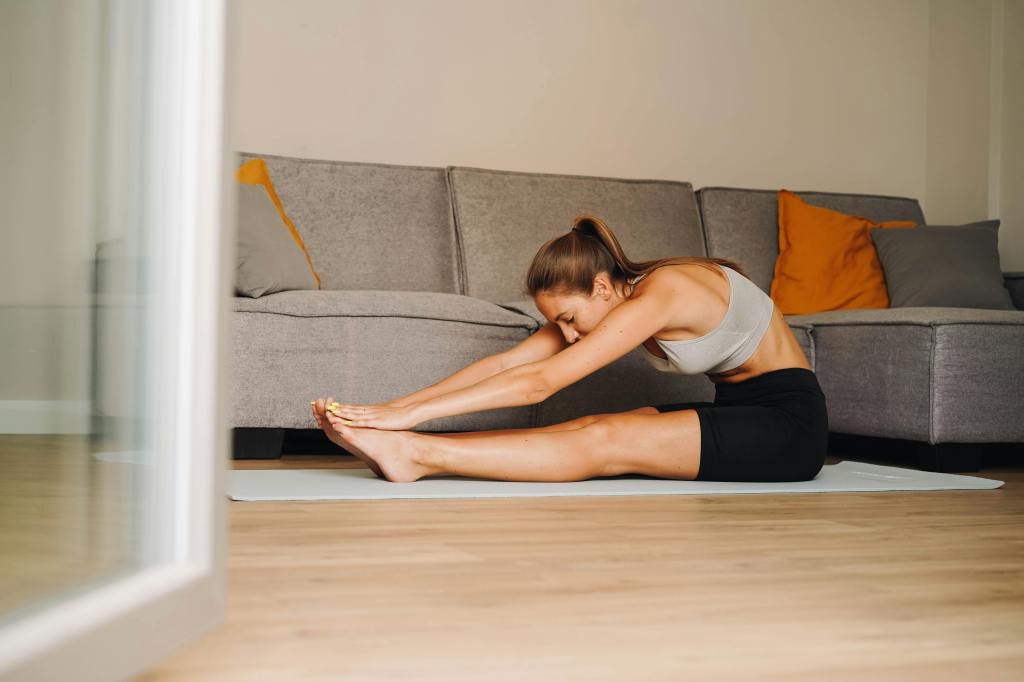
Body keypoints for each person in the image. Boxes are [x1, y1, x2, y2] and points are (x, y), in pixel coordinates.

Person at [311, 214, 828, 484]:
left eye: (568, 319)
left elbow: (541, 381)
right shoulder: (612, 299)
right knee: (579, 428)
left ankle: (416, 455)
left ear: (602, 287)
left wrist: (412, 422)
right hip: (741, 413)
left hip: (788, 425)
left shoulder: (663, 292)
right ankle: (408, 452)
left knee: (605, 439)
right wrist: (396, 408)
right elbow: (509, 363)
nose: (568, 333)